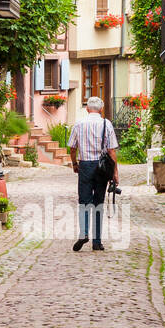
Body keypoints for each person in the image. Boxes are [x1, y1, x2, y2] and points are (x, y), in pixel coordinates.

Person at [67, 96, 118, 251]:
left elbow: (72, 147)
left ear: (87, 109)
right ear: (101, 109)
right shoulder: (106, 124)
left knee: (84, 201)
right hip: (102, 167)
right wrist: (115, 172)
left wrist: (75, 163)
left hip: (85, 165)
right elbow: (111, 151)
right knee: (98, 203)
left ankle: (83, 233)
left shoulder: (79, 124)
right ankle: (97, 242)